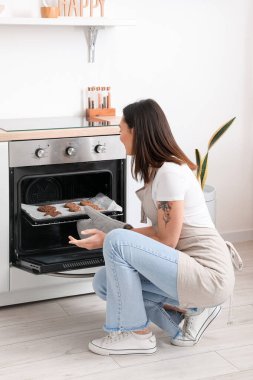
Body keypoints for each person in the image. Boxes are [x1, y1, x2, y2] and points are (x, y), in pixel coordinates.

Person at [68, 99, 240, 356]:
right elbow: (162, 233)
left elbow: (167, 240)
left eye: (121, 130)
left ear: (136, 131)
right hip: (185, 267)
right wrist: (112, 236)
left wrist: (112, 239)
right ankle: (186, 315)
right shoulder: (158, 171)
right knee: (104, 282)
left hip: (208, 275)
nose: (120, 137)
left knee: (116, 240)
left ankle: (136, 333)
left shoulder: (169, 173)